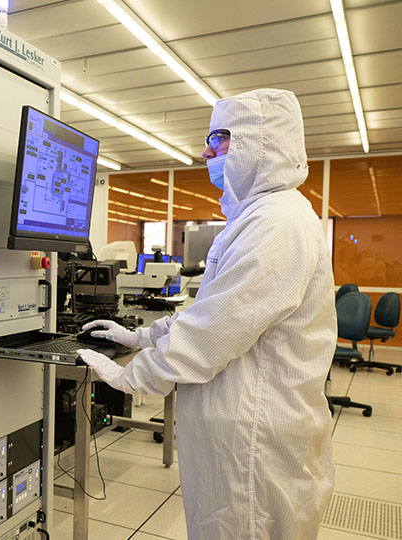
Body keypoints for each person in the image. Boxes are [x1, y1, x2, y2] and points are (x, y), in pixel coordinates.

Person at [78, 88, 336, 539]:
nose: (205, 151)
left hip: (255, 443)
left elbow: (216, 332)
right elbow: (212, 311)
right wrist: (141, 338)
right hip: (244, 433)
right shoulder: (258, 217)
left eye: (219, 139)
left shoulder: (277, 223)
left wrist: (134, 376)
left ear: (261, 141)